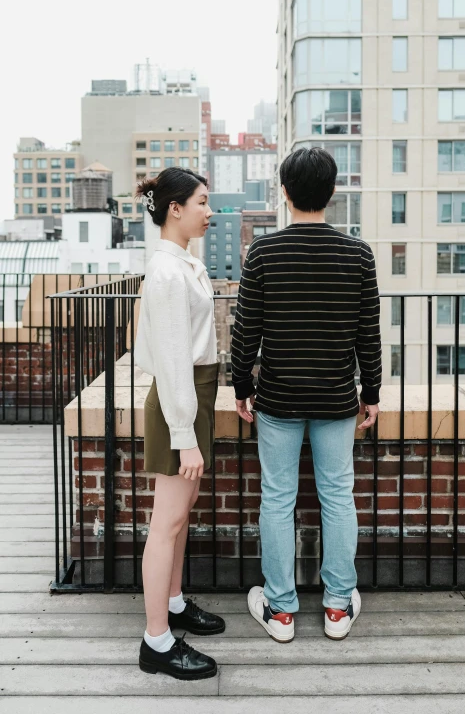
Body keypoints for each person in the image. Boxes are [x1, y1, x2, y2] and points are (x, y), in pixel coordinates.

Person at [231, 147, 382, 643]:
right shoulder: (358, 254)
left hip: (276, 397)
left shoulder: (264, 253)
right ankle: (338, 608)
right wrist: (372, 391)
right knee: (338, 495)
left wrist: (240, 387)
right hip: (338, 397)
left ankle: (281, 611)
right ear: (332, 193)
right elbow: (369, 334)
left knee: (277, 498)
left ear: (285, 191)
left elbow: (245, 330)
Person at [134, 167, 225, 680]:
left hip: (195, 395)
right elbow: (171, 362)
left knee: (180, 513)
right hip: (179, 401)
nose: (209, 212)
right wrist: (186, 436)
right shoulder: (167, 273)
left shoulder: (185, 264)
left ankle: (171, 604)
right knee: (166, 522)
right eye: (202, 202)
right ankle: (157, 643)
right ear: (176, 208)